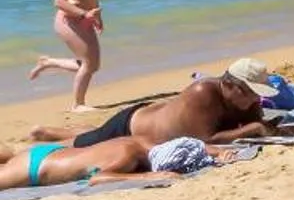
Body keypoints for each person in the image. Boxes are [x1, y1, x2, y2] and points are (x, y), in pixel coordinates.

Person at [27, 72, 272, 149]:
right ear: (229, 86)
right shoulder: (203, 93)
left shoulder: (244, 99)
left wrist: (264, 125)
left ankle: (50, 131)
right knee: (85, 144)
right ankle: (39, 142)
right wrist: (253, 128)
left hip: (151, 116)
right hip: (132, 127)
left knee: (97, 132)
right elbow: (202, 140)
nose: (255, 98)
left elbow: (257, 124)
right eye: (250, 92)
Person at [29, 0, 111, 112]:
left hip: (86, 17)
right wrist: (84, 14)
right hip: (69, 20)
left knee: (92, 64)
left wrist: (97, 16)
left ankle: (49, 63)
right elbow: (59, 1)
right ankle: (78, 104)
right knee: (90, 64)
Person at [0, 134, 160, 191]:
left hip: (53, 153)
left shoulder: (143, 140)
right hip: (34, 167)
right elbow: (97, 178)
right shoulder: (127, 156)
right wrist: (146, 177)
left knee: (8, 158)